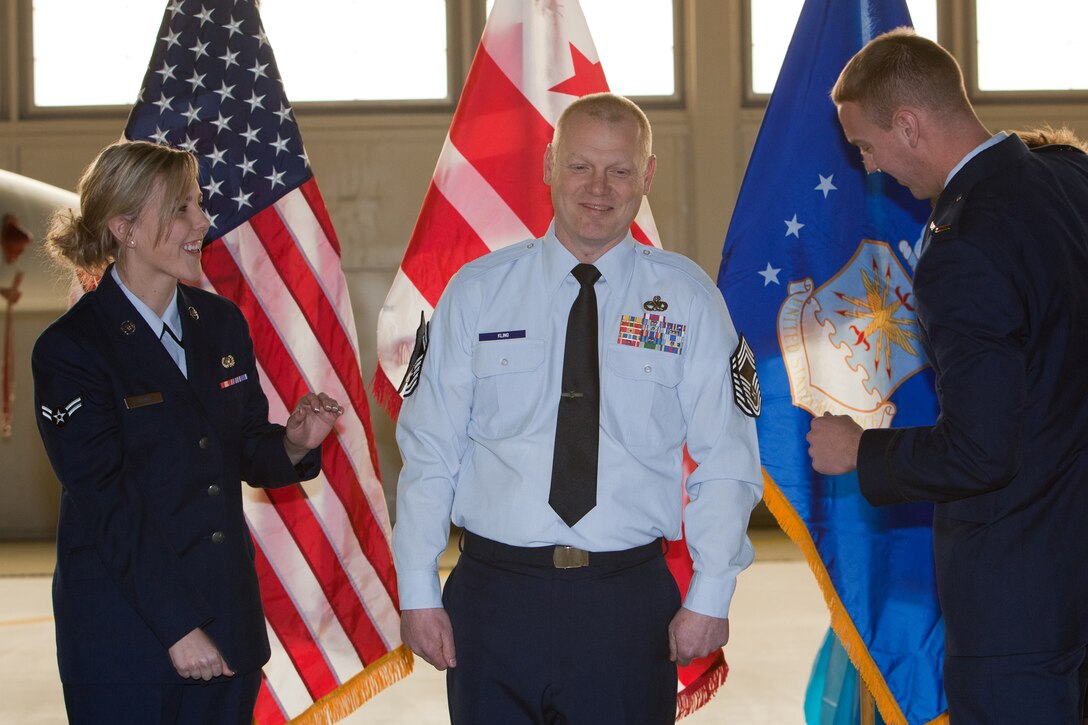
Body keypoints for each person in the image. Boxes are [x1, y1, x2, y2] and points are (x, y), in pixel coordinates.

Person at [393, 92, 762, 724]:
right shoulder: (477, 293)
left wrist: (710, 593)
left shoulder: (687, 298)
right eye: (580, 166)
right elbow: (431, 452)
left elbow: (726, 460)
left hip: (626, 605)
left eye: (620, 170)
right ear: (548, 164)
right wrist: (417, 588)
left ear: (647, 175)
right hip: (494, 597)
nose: (599, 188)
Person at [806, 28, 1088, 725]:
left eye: (866, 147)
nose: (870, 169)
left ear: (909, 124)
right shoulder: (1069, 179)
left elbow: (983, 448)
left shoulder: (962, 250)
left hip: (1017, 604)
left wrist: (860, 451)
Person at [33, 140, 344, 725]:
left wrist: (295, 442)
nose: (202, 222)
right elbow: (109, 504)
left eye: (198, 205)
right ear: (123, 228)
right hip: (125, 637)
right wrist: (178, 626)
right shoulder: (71, 350)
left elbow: (245, 445)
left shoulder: (219, 324)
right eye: (181, 208)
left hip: (227, 625)